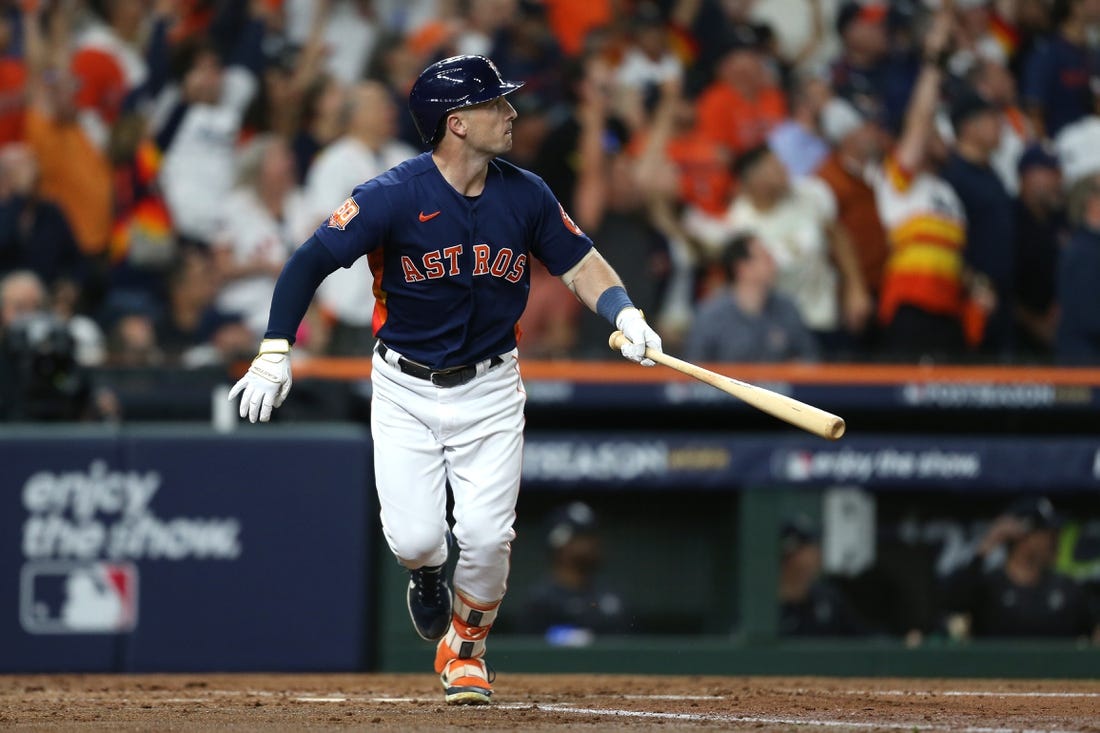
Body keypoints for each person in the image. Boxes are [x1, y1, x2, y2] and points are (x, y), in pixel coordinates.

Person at [228, 55, 662, 704]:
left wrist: (623, 311)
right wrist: (274, 348)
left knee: (487, 538)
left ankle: (465, 648)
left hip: (490, 385)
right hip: (404, 386)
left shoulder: (526, 192)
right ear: (456, 124)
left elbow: (580, 261)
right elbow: (309, 260)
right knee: (416, 537)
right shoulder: (392, 194)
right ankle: (427, 575)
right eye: (496, 105)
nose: (511, 114)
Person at [939, 497, 1099, 639]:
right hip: (995, 671)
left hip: (1058, 672)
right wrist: (984, 549)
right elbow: (952, 602)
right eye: (1047, 533)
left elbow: (1093, 631)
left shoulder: (1066, 588)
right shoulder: (989, 586)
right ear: (1023, 536)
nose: (1054, 540)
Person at [684, 232, 818, 363]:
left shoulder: (787, 309)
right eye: (766, 258)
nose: (774, 264)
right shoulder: (710, 316)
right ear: (742, 268)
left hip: (775, 385)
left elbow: (809, 362)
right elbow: (695, 371)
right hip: (723, 385)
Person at [516, 501, 628, 641]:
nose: (589, 544)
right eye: (580, 537)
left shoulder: (611, 598)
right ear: (560, 543)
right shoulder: (540, 602)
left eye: (591, 536)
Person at [778, 515, 872, 637]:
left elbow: (863, 638)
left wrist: (898, 644)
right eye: (809, 547)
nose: (817, 554)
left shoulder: (827, 599)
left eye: (817, 546)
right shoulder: (762, 606)